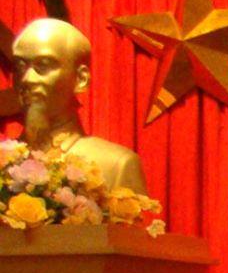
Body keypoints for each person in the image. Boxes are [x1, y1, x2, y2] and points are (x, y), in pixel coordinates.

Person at [11, 18, 148, 194]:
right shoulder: (4, 160)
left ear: (81, 79)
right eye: (20, 66)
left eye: (43, 66)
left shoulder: (115, 165)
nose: (27, 79)